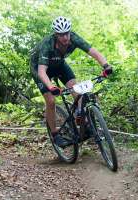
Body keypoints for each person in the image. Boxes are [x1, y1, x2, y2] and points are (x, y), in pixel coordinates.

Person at [30, 16, 113, 147]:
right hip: (40, 68)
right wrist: (51, 87)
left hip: (59, 64)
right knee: (51, 101)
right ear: (56, 34)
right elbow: (41, 72)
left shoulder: (74, 38)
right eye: (61, 35)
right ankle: (55, 135)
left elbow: (94, 52)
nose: (65, 37)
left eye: (67, 33)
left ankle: (82, 120)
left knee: (76, 88)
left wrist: (106, 66)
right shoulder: (48, 44)